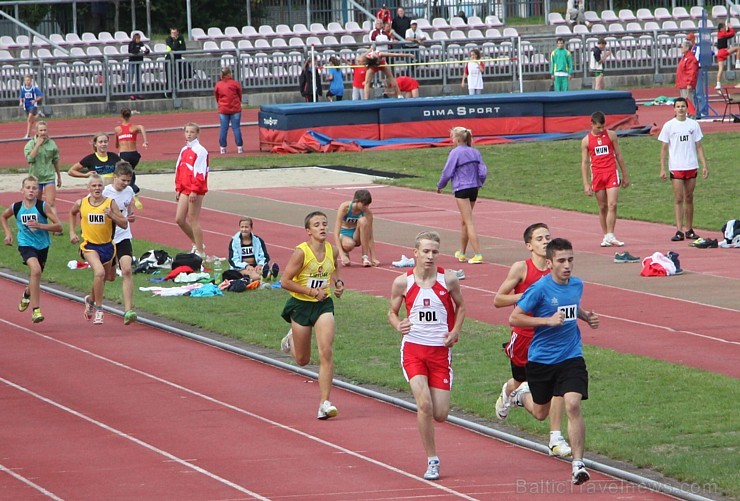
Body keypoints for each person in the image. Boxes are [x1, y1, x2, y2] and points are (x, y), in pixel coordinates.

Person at [508, 238, 599, 486]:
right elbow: (514, 318)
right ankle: (519, 395)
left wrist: (585, 316)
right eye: (561, 261)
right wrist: (546, 321)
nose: (567, 265)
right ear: (549, 263)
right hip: (541, 360)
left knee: (572, 403)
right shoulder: (538, 289)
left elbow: (572, 306)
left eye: (570, 260)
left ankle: (578, 464)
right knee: (540, 413)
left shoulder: (577, 285)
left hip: (571, 356)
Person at [388, 230, 466, 481]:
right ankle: (432, 459)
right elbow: (391, 311)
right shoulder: (403, 282)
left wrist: (455, 331)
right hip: (413, 350)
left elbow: (462, 306)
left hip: (440, 353)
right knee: (424, 404)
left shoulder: (449, 279)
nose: (430, 256)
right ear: (415, 253)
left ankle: (429, 426)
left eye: (434, 252)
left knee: (440, 414)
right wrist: (397, 324)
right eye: (426, 251)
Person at [492, 223, 571, 458]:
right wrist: (527, 295)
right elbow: (498, 299)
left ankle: (556, 437)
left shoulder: (557, 266)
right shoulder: (521, 268)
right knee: (520, 381)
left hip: (550, 338)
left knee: (556, 385)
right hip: (523, 337)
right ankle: (511, 393)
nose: (545, 241)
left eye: (548, 237)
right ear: (529, 245)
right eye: (539, 238)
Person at [280, 211, 345, 420]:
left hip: (323, 305)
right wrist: (311, 292)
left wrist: (338, 283)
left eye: (324, 224)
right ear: (308, 231)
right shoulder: (301, 253)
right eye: (316, 225)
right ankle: (290, 338)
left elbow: (333, 268)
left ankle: (324, 403)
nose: (322, 227)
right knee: (302, 360)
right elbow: (285, 281)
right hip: (300, 305)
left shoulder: (332, 250)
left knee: (326, 351)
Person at [69, 173, 129, 325]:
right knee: (100, 272)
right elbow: (72, 213)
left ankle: (90, 299)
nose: (97, 188)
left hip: (107, 247)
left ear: (103, 188)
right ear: (88, 187)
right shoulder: (81, 203)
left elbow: (124, 224)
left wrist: (112, 215)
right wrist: (72, 232)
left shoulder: (110, 203)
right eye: (94, 186)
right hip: (89, 247)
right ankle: (99, 309)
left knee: (108, 278)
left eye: (99, 186)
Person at [1, 176, 62, 324]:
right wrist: (8, 233)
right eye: (28, 188)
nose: (31, 190)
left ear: (38, 191)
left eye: (34, 188)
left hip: (42, 245)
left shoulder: (42, 206)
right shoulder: (16, 207)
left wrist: (41, 226)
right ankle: (36, 311)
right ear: (22, 190)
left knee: (36, 274)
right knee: (35, 271)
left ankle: (27, 293)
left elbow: (58, 226)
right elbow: (3, 216)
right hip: (25, 244)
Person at [658, 97, 709, 242]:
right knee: (679, 197)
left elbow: (698, 146)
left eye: (683, 106)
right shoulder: (669, 126)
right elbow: (664, 148)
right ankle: (679, 230)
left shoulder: (693, 125)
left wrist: (704, 164)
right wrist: (662, 167)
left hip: (691, 165)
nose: (680, 109)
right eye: (678, 106)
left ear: (687, 108)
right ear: (674, 109)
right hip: (676, 166)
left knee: (689, 197)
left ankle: (690, 229)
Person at [436, 126, 487, 264]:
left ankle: (477, 254)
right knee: (464, 221)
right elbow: (483, 171)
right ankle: (462, 252)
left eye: (452, 137)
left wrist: (440, 185)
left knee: (469, 221)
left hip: (461, 189)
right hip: (473, 188)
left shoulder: (455, 153)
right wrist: (479, 182)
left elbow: (447, 172)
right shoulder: (475, 152)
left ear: (457, 139)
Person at [580, 111, 630, 247]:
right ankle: (606, 236)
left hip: (611, 173)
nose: (601, 130)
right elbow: (584, 163)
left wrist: (625, 175)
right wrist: (586, 184)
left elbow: (618, 155)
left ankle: (611, 234)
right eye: (598, 128)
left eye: (603, 127)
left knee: (612, 204)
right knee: (602, 207)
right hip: (597, 175)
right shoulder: (586, 141)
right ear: (591, 124)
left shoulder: (611, 135)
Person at [102, 161, 138, 325]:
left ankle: (128, 310)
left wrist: (130, 217)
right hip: (108, 238)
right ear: (115, 177)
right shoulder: (105, 193)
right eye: (122, 180)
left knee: (127, 270)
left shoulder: (129, 191)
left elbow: (129, 213)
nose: (125, 184)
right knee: (108, 277)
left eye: (128, 181)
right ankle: (93, 298)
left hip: (123, 236)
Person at [175, 122, 209, 257]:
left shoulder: (200, 151)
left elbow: (200, 172)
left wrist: (195, 190)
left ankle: (201, 252)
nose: (189, 134)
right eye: (187, 132)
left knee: (193, 219)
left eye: (192, 132)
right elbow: (179, 169)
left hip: (196, 189)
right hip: (184, 189)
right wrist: (178, 187)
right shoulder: (184, 150)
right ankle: (197, 243)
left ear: (197, 133)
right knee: (179, 219)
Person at [334, 189, 379, 267]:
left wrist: (373, 257)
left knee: (363, 220)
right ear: (356, 201)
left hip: (356, 235)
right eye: (364, 205)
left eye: (368, 205)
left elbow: (370, 235)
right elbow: (336, 233)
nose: (366, 207)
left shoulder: (367, 212)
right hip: (344, 234)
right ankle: (345, 252)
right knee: (349, 244)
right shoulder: (345, 207)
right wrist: (342, 255)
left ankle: (365, 257)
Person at [24, 121, 61, 216]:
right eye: (41, 130)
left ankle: (56, 227)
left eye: (45, 130)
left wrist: (59, 176)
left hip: (49, 176)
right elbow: (30, 159)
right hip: (36, 177)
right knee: (36, 202)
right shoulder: (30, 144)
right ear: (36, 131)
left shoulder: (52, 144)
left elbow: (55, 161)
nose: (43, 132)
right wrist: (37, 145)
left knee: (51, 202)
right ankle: (37, 223)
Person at [114, 107, 148, 209]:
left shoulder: (118, 129)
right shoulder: (134, 128)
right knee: (130, 172)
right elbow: (142, 127)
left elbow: (116, 145)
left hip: (124, 154)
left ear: (121, 116)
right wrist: (145, 141)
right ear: (130, 115)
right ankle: (132, 189)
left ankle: (133, 190)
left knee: (123, 174)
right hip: (134, 154)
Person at [228, 216, 275, 281]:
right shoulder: (234, 241)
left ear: (251, 228)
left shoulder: (258, 240)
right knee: (253, 275)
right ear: (239, 228)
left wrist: (260, 265)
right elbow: (233, 260)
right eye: (242, 227)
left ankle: (266, 273)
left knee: (258, 271)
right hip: (241, 268)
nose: (244, 229)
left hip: (255, 266)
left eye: (246, 227)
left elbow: (264, 256)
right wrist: (246, 266)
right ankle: (267, 275)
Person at [214, 67, 244, 154]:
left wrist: (220, 103)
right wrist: (238, 102)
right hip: (235, 108)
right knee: (236, 128)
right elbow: (239, 94)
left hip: (223, 108)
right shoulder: (235, 84)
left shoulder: (218, 84)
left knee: (223, 128)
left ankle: (222, 147)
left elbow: (217, 96)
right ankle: (239, 147)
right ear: (230, 74)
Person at [715, 17, 740, 90]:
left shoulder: (720, 34)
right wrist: (731, 28)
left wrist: (729, 29)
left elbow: (729, 35)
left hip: (719, 52)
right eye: (724, 27)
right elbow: (731, 34)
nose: (725, 29)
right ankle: (737, 62)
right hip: (723, 51)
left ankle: (718, 84)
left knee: (721, 69)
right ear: (721, 29)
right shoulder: (722, 34)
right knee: (738, 48)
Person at [676, 40, 699, 115]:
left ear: (687, 48)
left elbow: (691, 72)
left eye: (682, 47)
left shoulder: (690, 58)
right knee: (684, 101)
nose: (681, 49)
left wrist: (689, 83)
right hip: (683, 83)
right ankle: (687, 116)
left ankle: (691, 116)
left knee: (689, 101)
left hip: (686, 84)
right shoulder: (685, 57)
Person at [164, 27, 187, 97]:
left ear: (177, 32)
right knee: (169, 76)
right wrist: (176, 41)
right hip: (169, 60)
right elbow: (173, 47)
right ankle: (168, 92)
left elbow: (183, 48)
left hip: (177, 59)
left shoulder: (181, 38)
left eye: (174, 33)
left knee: (179, 75)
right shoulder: (168, 39)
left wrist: (177, 47)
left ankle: (175, 89)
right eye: (172, 33)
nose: (173, 34)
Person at [127, 31, 150, 100]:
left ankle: (139, 93)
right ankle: (130, 93)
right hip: (132, 62)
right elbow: (131, 50)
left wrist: (145, 51)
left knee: (138, 78)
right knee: (131, 78)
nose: (138, 40)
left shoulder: (141, 43)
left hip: (138, 62)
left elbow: (146, 50)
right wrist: (139, 50)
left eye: (139, 38)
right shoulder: (131, 43)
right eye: (137, 38)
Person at [19, 74, 43, 139]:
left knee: (30, 118)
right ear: (24, 81)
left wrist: (35, 100)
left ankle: (28, 134)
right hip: (26, 106)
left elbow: (41, 96)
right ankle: (39, 115)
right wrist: (21, 102)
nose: (27, 81)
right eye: (26, 80)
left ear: (31, 81)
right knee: (31, 120)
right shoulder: (22, 88)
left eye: (28, 80)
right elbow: (21, 96)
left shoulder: (34, 88)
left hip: (32, 105)